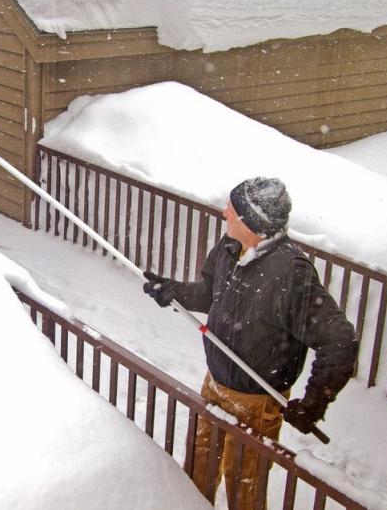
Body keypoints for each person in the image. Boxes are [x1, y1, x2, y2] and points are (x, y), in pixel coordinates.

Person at [142, 177, 358, 510]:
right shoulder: (230, 248)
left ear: (253, 221)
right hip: (214, 385)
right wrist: (175, 292)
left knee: (244, 488)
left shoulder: (290, 274)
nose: (224, 212)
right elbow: (211, 293)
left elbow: (340, 342)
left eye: (233, 209)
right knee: (197, 471)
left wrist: (314, 403)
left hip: (258, 403)